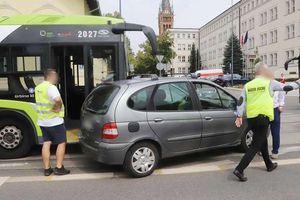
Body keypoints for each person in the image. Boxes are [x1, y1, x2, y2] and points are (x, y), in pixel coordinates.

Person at [233, 62, 300, 182]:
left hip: (252, 119)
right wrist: (298, 82)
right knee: (255, 145)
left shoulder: (248, 85)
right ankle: (239, 169)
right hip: (263, 118)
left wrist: (238, 115)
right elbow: (287, 87)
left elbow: (241, 101)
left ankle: (269, 165)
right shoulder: (269, 82)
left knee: (262, 140)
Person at [35, 69, 70, 176]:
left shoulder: (38, 88)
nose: (56, 79)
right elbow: (58, 100)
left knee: (46, 143)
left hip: (42, 121)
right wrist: (57, 106)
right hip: (54, 121)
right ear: (50, 76)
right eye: (55, 76)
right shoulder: (51, 87)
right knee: (61, 142)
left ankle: (47, 169)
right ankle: (59, 167)